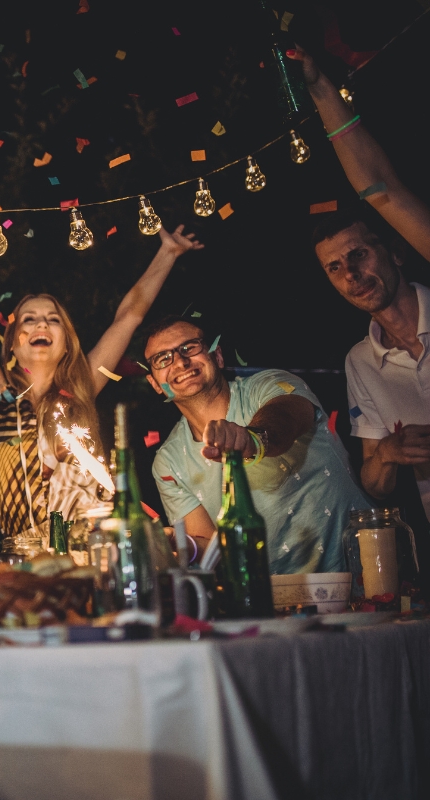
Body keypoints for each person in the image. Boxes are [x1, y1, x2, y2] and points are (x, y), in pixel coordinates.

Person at [0, 178, 203, 553]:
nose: (40, 325)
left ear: (66, 339)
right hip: (20, 560)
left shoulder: (82, 386)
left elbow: (128, 317)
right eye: (28, 319)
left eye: (52, 319)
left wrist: (168, 253)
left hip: (93, 552)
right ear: (13, 338)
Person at [288, 46, 430, 527]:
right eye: (334, 268)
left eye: (360, 255)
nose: (350, 274)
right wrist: (388, 452)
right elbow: (378, 188)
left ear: (396, 251)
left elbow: (382, 190)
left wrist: (321, 87)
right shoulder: (359, 362)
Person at [143, 316, 371, 573]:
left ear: (217, 356)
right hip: (276, 600)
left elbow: (283, 419)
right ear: (155, 384)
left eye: (190, 348)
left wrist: (252, 439)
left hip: (362, 571)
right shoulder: (168, 462)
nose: (181, 362)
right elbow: (218, 551)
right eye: (163, 359)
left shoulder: (270, 385)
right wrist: (183, 545)